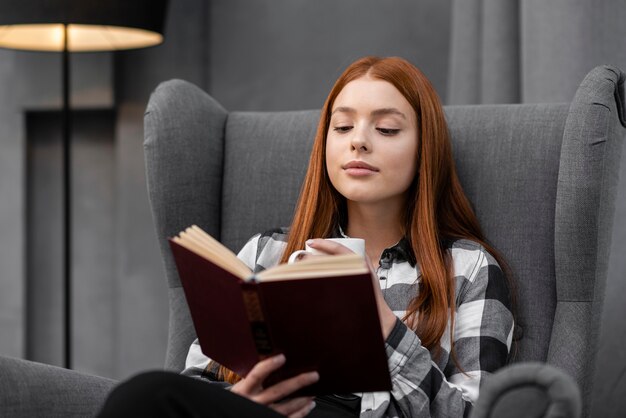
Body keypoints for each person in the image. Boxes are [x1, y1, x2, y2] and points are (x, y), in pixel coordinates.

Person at [98, 56, 514, 418]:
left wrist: (381, 325)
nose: (358, 141)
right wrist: (240, 399)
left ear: (426, 150)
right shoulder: (269, 252)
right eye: (343, 126)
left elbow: (474, 413)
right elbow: (195, 383)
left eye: (386, 129)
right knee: (147, 395)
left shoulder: (466, 266)